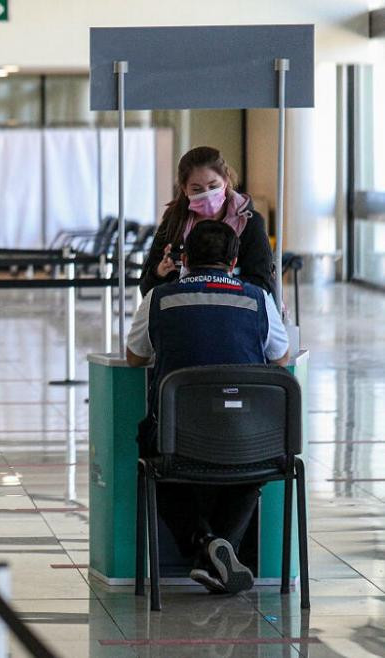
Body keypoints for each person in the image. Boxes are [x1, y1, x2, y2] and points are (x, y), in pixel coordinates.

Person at [126, 221, 289, 595]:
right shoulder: (257, 298)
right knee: (252, 468)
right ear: (234, 261)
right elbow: (281, 359)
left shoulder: (159, 298)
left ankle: (205, 546)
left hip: (176, 440)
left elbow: (135, 357)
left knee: (157, 464)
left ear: (184, 258)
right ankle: (220, 550)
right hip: (249, 439)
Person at [139, 146, 275, 297]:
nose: (207, 195)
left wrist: (213, 284)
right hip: (185, 312)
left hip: (235, 313)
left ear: (225, 180)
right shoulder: (174, 223)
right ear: (184, 189)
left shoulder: (249, 223)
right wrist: (160, 272)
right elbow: (146, 287)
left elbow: (262, 282)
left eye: (213, 186)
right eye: (197, 189)